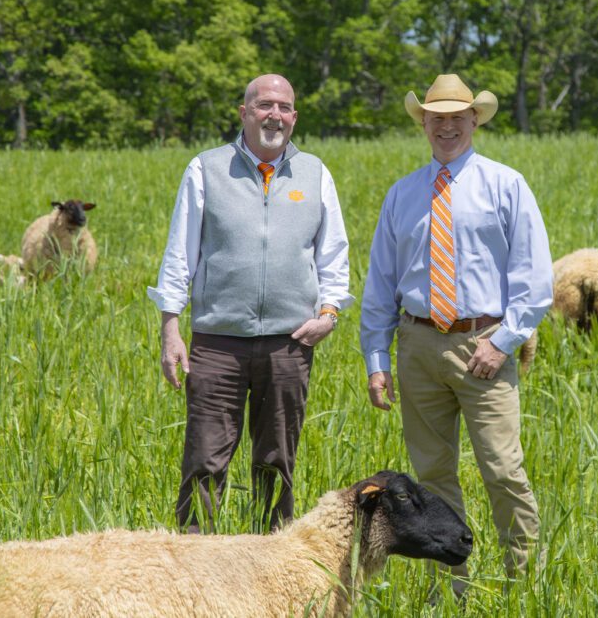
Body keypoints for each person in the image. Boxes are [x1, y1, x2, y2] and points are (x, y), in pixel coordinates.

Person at [359, 74, 553, 591]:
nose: (446, 127)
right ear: (423, 122)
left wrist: (503, 341)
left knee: (503, 470)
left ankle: (523, 587)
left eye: (456, 118)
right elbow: (380, 285)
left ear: (474, 121)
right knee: (434, 479)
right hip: (417, 345)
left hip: (483, 344)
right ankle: (456, 589)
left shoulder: (505, 185)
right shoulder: (402, 195)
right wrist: (377, 361)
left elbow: (534, 281)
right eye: (436, 118)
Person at [148, 73, 351, 533]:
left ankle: (269, 569)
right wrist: (171, 327)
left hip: (289, 343)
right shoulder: (206, 169)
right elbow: (181, 252)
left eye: (283, 107)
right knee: (205, 460)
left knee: (277, 462)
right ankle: (194, 570)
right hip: (218, 343)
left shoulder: (316, 173)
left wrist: (330, 314)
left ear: (294, 117)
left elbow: (334, 254)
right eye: (264, 106)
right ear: (244, 113)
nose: (274, 115)